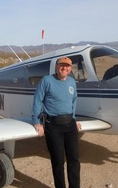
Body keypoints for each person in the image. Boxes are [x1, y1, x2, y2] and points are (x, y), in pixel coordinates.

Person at [31, 56, 81, 188]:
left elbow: (73, 101)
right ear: (56, 66)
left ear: (70, 68)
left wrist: (74, 118)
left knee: (74, 159)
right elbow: (38, 100)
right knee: (58, 161)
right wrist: (37, 122)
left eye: (68, 66)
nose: (64, 68)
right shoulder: (47, 80)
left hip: (70, 125)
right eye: (61, 65)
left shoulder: (71, 82)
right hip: (53, 126)